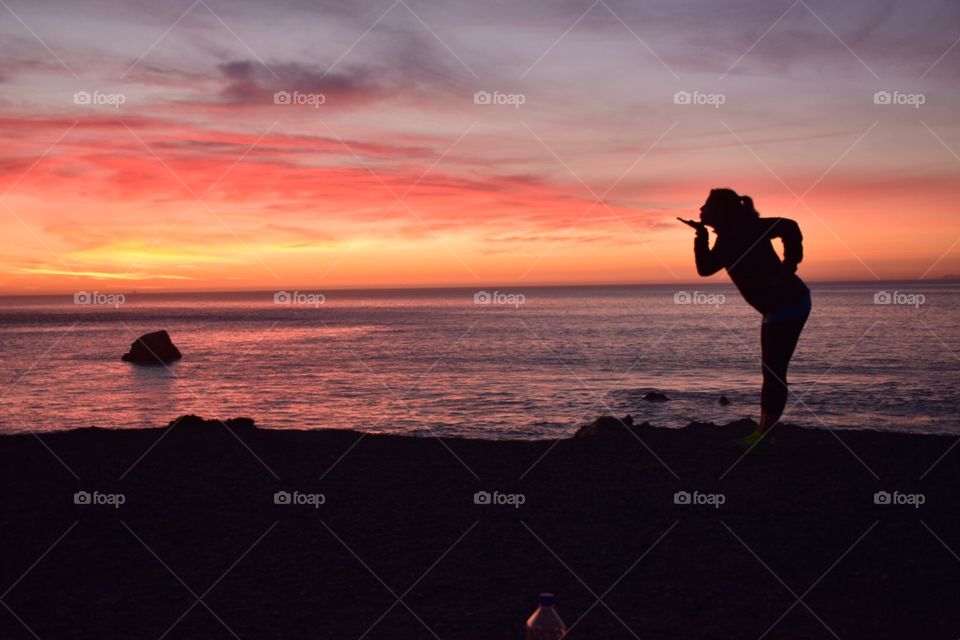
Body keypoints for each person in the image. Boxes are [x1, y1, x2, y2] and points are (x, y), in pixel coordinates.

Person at [679, 188, 811, 453]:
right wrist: (701, 236)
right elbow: (705, 269)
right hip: (775, 308)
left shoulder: (747, 228)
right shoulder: (727, 237)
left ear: (721, 211)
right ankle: (764, 433)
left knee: (774, 372)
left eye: (706, 206)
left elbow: (790, 227)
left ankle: (766, 436)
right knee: (771, 371)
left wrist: (789, 266)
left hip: (789, 303)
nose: (701, 210)